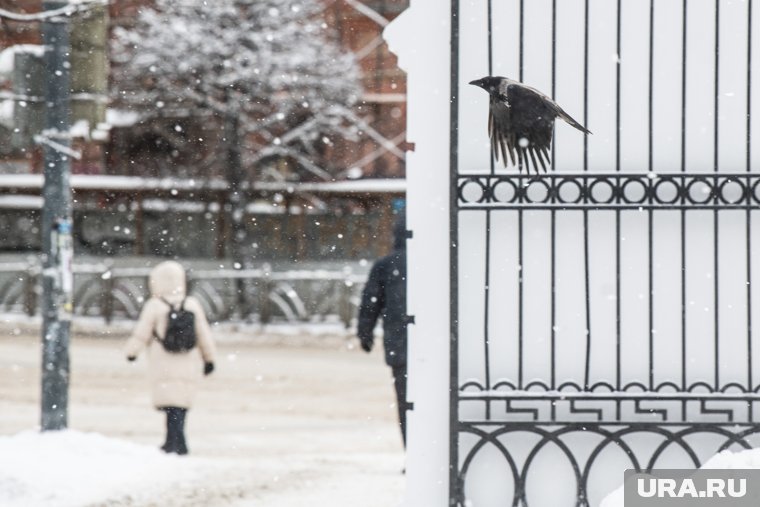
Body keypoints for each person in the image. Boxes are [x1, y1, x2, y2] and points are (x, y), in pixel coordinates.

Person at [125, 260, 216, 455]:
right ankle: (177, 440)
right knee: (180, 404)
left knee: (169, 403)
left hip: (163, 361)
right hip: (187, 359)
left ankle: (174, 442)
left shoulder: (155, 305)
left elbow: (142, 333)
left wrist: (131, 352)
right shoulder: (191, 304)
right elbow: (203, 335)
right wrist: (209, 359)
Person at [357, 212, 409, 446]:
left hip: (399, 346)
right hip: (432, 349)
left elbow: (370, 302)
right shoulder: (435, 262)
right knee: (434, 403)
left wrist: (364, 333)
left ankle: (413, 452)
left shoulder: (385, 265)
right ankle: (431, 456)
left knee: (406, 402)